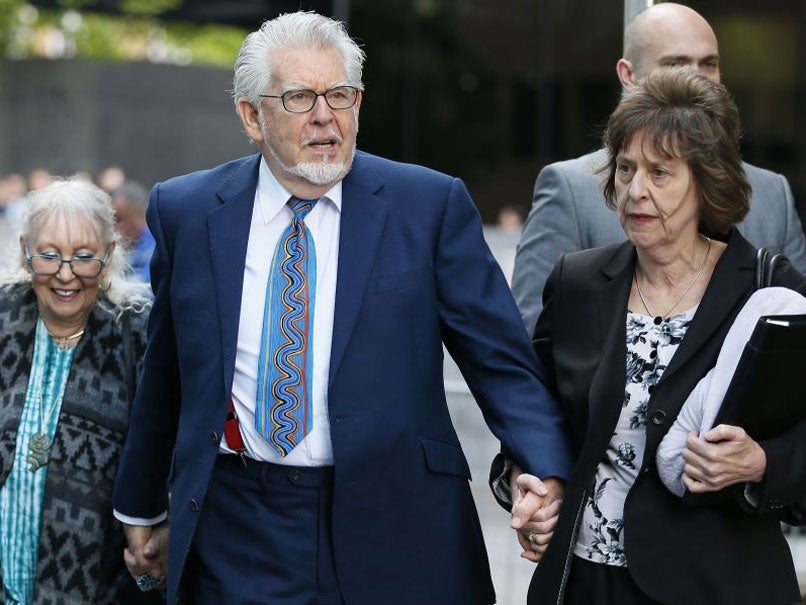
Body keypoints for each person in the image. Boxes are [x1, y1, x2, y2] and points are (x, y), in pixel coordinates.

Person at [111, 11, 572, 605]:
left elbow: (501, 361)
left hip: (396, 520)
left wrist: (543, 467)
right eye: (300, 97)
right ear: (252, 115)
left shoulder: (427, 206)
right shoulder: (188, 211)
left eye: (341, 95)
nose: (325, 115)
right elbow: (167, 372)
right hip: (240, 526)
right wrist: (141, 504)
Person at [504, 68, 806, 604]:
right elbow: (533, 413)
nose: (635, 191)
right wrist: (529, 481)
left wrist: (762, 463)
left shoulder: (767, 286)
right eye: (625, 169)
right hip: (586, 583)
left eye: (660, 173)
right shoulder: (577, 282)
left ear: (706, 180)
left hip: (717, 586)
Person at [512, 2, 806, 334]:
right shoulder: (571, 188)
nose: (696, 77)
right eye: (675, 64)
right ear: (628, 75)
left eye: (708, 64)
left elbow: (796, 336)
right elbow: (533, 334)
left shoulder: (770, 193)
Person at [0, 178, 154, 603]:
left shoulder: (136, 334)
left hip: (98, 590)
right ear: (26, 250)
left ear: (108, 256)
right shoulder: (3, 318)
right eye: (49, 255)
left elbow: (166, 456)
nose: (65, 274)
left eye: (84, 257)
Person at [111, 181, 156, 283]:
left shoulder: (157, 247)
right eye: (111, 221)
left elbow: (145, 288)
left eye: (118, 219)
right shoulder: (119, 248)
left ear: (141, 215)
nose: (114, 228)